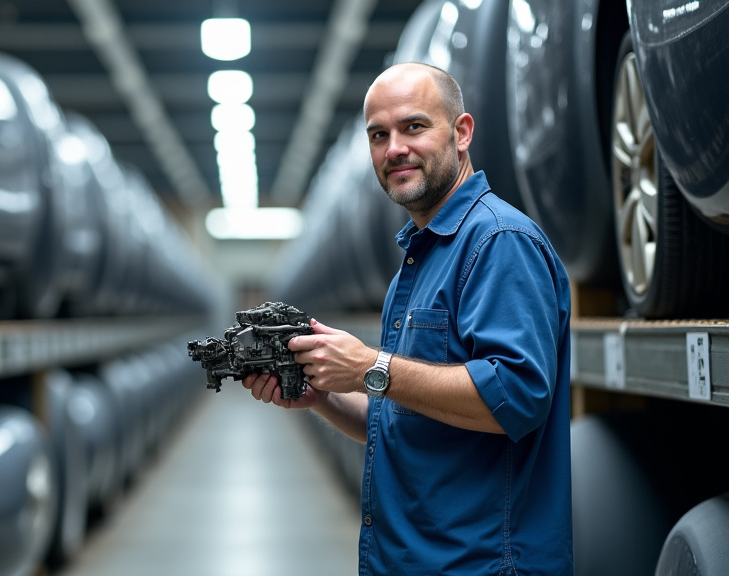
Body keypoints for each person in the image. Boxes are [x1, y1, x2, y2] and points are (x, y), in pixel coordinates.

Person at [243, 62, 573, 575]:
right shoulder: (417, 263)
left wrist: (372, 367)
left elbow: (517, 396)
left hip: (479, 564)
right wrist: (323, 398)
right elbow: (401, 419)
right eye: (379, 135)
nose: (394, 147)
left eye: (413, 127)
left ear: (461, 133)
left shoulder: (498, 241)